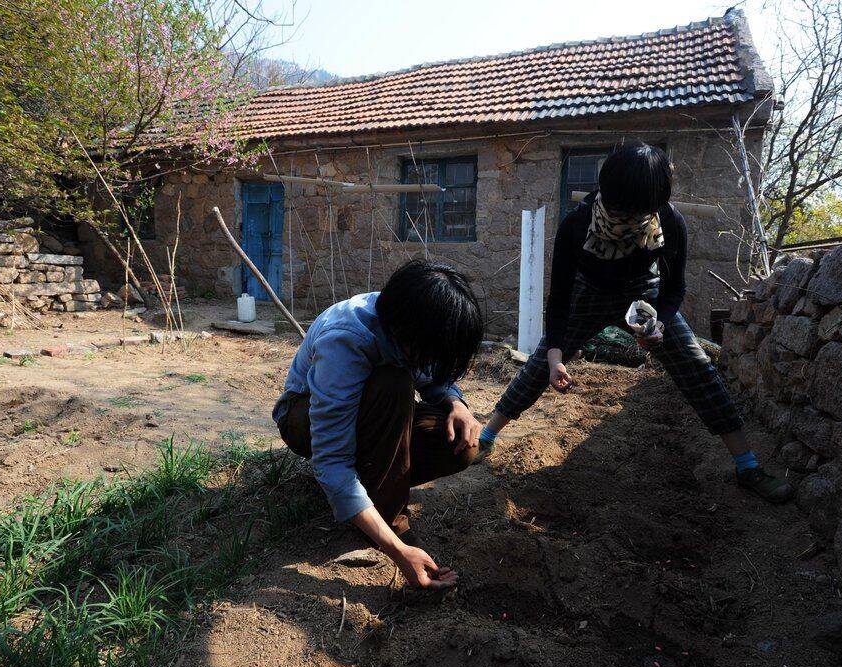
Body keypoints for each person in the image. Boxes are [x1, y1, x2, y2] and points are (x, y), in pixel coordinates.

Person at [478, 142, 793, 503]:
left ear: (654, 203)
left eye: (635, 212)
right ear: (605, 190)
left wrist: (658, 324)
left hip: (645, 297)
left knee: (698, 368)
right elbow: (560, 297)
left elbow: (676, 290)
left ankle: (747, 465)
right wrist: (555, 356)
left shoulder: (671, 223)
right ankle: (486, 438)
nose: (623, 218)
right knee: (538, 365)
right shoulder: (577, 224)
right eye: (616, 209)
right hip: (587, 293)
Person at [274, 259, 485, 589]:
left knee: (459, 447)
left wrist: (458, 405)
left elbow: (430, 379)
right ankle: (389, 519)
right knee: (394, 383)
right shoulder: (345, 340)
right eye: (431, 354)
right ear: (408, 335)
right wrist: (398, 551)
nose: (431, 363)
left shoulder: (411, 317)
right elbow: (331, 460)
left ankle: (371, 489)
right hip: (303, 420)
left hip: (366, 420)